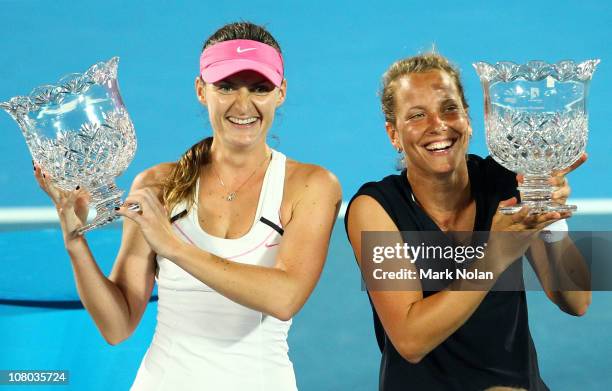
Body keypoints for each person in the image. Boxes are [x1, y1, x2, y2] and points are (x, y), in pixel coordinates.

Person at [34, 21, 341, 390]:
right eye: (225, 87)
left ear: (281, 93)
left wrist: (175, 248)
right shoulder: (156, 186)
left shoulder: (310, 185)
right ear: (201, 90)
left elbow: (284, 297)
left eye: (259, 89)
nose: (243, 105)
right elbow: (117, 327)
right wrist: (75, 244)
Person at [344, 53, 591, 391]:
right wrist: (496, 254)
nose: (438, 125)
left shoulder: (506, 181)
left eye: (449, 108)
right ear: (394, 134)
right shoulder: (375, 207)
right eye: (417, 115)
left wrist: (550, 218)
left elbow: (576, 301)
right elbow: (410, 339)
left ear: (469, 119)